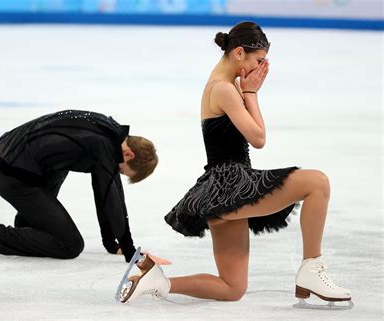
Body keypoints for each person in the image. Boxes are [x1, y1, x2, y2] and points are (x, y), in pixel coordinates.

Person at [119, 22, 353, 309]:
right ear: (239, 53)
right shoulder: (224, 90)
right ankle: (311, 269)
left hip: (221, 187)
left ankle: (159, 282)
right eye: (258, 61)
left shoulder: (220, 86)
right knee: (317, 182)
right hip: (231, 182)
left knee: (232, 287)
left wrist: (248, 91)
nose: (259, 68)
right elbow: (258, 138)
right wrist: (252, 93)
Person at [0, 109, 158, 263]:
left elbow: (104, 191)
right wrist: (131, 253)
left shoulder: (110, 132)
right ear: (129, 154)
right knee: (70, 245)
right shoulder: (103, 145)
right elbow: (111, 197)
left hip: (14, 160)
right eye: (121, 170)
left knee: (65, 165)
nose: (117, 173)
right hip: (11, 172)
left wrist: (111, 243)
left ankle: (27, 227)